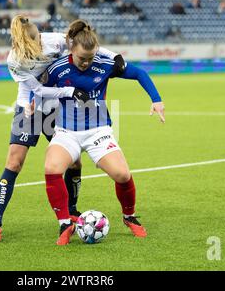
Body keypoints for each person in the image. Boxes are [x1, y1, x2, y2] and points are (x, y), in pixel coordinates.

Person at [0, 15, 124, 243]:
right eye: (33, 42)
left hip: (54, 108)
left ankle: (71, 211)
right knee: (14, 162)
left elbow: (85, 45)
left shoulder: (55, 41)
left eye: (39, 39)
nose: (39, 44)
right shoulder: (14, 59)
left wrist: (114, 56)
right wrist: (63, 94)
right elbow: (37, 90)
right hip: (28, 109)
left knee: (74, 161)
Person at [43, 20, 165, 245]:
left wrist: (156, 99)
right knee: (52, 168)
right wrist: (35, 103)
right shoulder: (57, 68)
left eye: (90, 58)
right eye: (82, 58)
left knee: (122, 174)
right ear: (72, 50)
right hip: (66, 131)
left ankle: (129, 217)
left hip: (98, 131)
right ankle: (64, 223)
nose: (86, 63)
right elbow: (40, 89)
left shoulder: (104, 64)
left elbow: (139, 73)